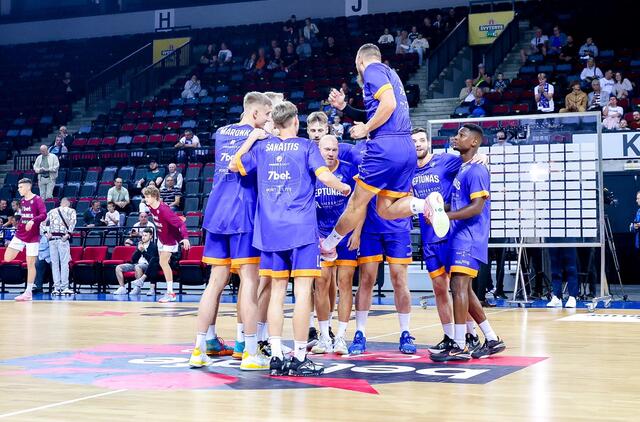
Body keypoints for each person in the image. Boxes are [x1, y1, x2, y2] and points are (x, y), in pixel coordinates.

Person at [229, 101, 351, 377]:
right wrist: (344, 187)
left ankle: (275, 356)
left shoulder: (262, 147)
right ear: (295, 121)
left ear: (276, 122)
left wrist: (251, 139)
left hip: (270, 231)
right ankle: (298, 357)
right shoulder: (306, 146)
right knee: (302, 293)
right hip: (301, 230)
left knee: (277, 293)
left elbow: (235, 165)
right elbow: (324, 176)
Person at [190, 92, 273, 370]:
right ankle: (248, 351)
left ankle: (199, 349)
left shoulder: (222, 132)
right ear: (255, 113)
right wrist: (260, 137)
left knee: (215, 282)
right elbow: (236, 164)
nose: (268, 120)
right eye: (267, 114)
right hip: (243, 214)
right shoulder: (259, 139)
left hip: (216, 212)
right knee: (249, 281)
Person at [320, 44, 416, 268]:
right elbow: (378, 111)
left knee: (356, 203)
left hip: (385, 147)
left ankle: (329, 245)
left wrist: (366, 129)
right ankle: (425, 204)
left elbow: (389, 105)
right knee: (385, 209)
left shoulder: (372, 69)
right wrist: (344, 107)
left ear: (359, 61)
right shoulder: (392, 75)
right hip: (406, 147)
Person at [430, 124, 505, 361]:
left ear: (474, 142)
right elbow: (457, 203)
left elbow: (476, 207)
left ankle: (460, 345)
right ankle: (491, 338)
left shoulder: (477, 170)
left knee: (459, 288)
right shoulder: (463, 168)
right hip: (460, 236)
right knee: (464, 290)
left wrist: (446, 216)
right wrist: (435, 209)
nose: (456, 137)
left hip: (470, 237)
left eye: (461, 135)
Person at [312, 135, 359, 355]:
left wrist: (357, 232)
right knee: (321, 284)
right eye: (326, 149)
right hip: (321, 236)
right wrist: (314, 236)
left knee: (345, 283)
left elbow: (360, 204)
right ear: (318, 150)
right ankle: (324, 336)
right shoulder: (312, 171)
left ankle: (340, 337)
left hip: (345, 234)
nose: (330, 153)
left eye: (334, 149)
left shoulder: (349, 170)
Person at [142, 186, 190, 303]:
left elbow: (181, 224)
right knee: (162, 263)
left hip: (170, 238)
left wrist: (185, 238)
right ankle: (169, 290)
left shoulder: (164, 210)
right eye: (145, 196)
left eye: (148, 197)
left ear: (154, 197)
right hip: (161, 238)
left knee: (163, 262)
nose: (145, 199)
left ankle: (170, 293)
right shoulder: (150, 206)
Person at [5, 178, 47, 301]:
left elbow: (44, 215)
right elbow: (24, 216)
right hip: (20, 234)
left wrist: (33, 221)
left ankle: (28, 292)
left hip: (33, 236)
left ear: (28, 187)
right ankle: (23, 250)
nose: (19, 189)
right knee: (7, 258)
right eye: (18, 187)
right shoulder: (23, 201)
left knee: (30, 264)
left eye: (21, 187)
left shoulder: (37, 199)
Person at [44, 197, 76, 295]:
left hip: (52, 239)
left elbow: (43, 222)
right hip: (62, 239)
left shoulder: (52, 211)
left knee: (55, 264)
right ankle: (65, 287)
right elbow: (73, 222)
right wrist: (68, 234)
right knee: (64, 263)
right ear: (68, 203)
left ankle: (56, 288)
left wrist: (46, 233)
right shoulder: (71, 211)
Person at [114, 228, 159, 296]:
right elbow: (133, 259)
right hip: (136, 264)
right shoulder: (139, 244)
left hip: (146, 265)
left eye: (145, 235)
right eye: (143, 235)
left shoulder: (153, 246)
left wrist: (143, 251)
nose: (143, 237)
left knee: (138, 267)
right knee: (118, 267)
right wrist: (138, 250)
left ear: (150, 236)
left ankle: (137, 288)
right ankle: (122, 287)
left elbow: (152, 261)